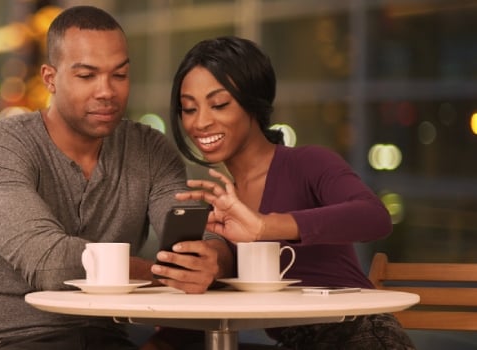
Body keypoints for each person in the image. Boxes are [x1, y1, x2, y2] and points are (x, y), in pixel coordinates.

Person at [0, 6, 234, 350]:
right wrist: (164, 274)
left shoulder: (148, 149)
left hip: (110, 340)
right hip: (15, 342)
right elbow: (51, 266)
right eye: (87, 76)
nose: (107, 91)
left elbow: (193, 233)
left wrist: (213, 257)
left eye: (119, 75)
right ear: (50, 78)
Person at [160, 36, 416, 349]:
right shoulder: (222, 208)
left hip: (358, 336)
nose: (200, 122)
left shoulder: (307, 163)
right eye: (188, 108)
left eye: (219, 104)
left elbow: (374, 217)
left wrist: (265, 226)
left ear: (253, 102)